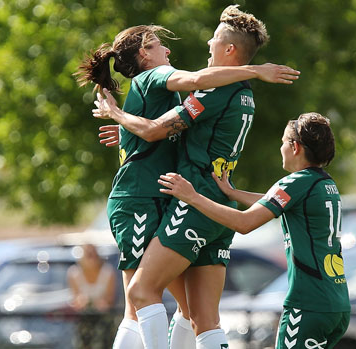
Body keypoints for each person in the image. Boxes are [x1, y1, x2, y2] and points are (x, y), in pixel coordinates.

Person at [76, 19, 299, 349]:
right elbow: (164, 127)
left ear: (229, 49)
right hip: (205, 201)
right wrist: (128, 129)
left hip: (188, 200)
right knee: (198, 316)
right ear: (144, 54)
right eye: (157, 43)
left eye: (215, 38)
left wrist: (119, 116)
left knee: (138, 298)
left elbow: (159, 125)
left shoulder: (213, 87)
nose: (207, 43)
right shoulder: (241, 91)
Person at [158, 112, 351, 349]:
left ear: (295, 147)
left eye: (283, 142)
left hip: (308, 304)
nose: (280, 148)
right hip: (337, 304)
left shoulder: (295, 182)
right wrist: (233, 193)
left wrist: (192, 197)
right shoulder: (324, 184)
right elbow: (275, 203)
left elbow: (244, 223)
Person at [67, 243, 117, 348]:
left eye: (93, 254)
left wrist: (103, 303)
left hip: (104, 321)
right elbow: (75, 299)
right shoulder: (74, 273)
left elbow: (110, 299)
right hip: (83, 320)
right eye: (88, 255)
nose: (91, 258)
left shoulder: (107, 271)